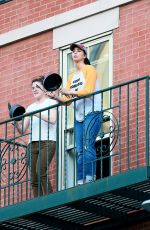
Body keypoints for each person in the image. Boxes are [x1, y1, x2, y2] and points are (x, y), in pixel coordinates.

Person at [47, 43, 102, 185]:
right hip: (79, 116)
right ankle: (80, 180)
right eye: (73, 52)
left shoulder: (90, 69)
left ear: (84, 55)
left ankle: (90, 177)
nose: (75, 53)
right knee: (79, 150)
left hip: (92, 112)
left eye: (78, 51)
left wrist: (69, 92)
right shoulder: (72, 76)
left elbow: (88, 91)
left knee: (87, 146)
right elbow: (68, 101)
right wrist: (56, 97)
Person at [15, 76, 57, 197]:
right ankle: (38, 200)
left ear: (44, 89)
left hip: (48, 142)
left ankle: (49, 198)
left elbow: (53, 120)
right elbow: (23, 130)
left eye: (37, 87)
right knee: (33, 177)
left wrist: (37, 114)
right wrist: (16, 123)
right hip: (32, 144)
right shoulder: (30, 107)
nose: (34, 89)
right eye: (32, 88)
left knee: (41, 171)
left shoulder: (51, 102)